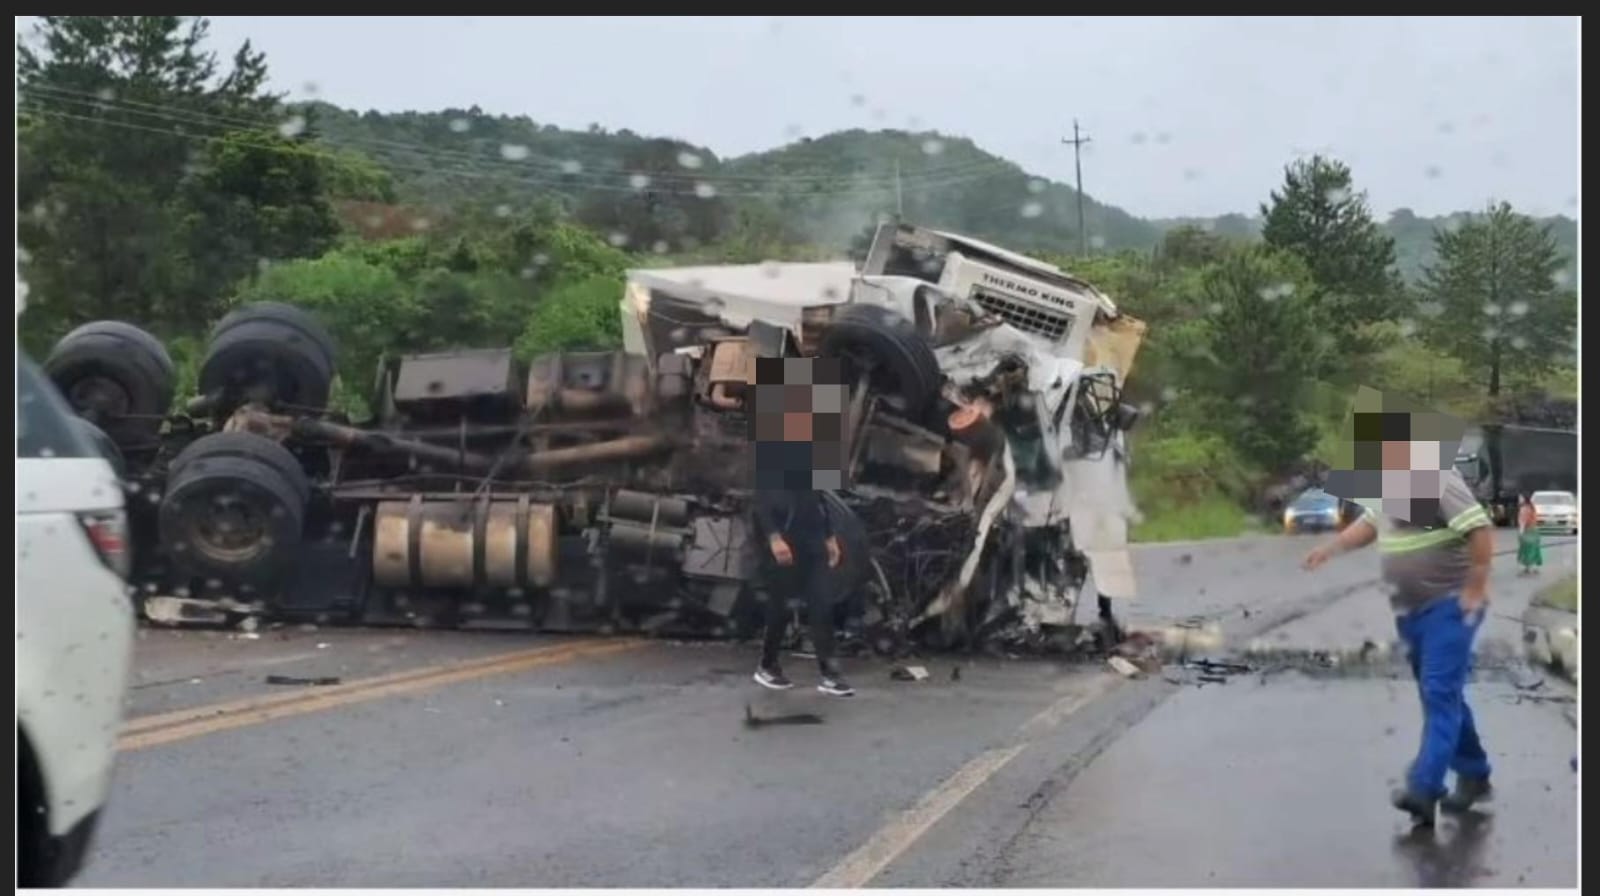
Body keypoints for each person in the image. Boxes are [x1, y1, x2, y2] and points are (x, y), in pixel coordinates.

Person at [1304, 464, 1495, 826]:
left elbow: (1480, 529)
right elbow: (1370, 525)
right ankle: (1474, 771)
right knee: (1440, 693)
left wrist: (1476, 586)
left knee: (1439, 691)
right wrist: (1331, 547)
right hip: (1411, 613)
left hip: (1452, 605)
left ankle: (1423, 788)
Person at [751, 487, 852, 696]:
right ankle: (767, 665)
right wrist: (773, 537)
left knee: (822, 605)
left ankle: (830, 676)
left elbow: (821, 498)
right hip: (785, 541)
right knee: (781, 606)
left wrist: (830, 537)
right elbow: (761, 500)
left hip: (813, 544)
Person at [1516, 495, 1544, 576]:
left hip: (1527, 530)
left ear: (1524, 499)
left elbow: (1523, 522)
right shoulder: (1532, 507)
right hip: (1534, 530)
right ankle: (1534, 567)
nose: (1519, 500)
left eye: (1520, 498)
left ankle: (1528, 567)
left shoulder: (1524, 509)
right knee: (1534, 548)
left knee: (1526, 549)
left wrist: (1520, 532)